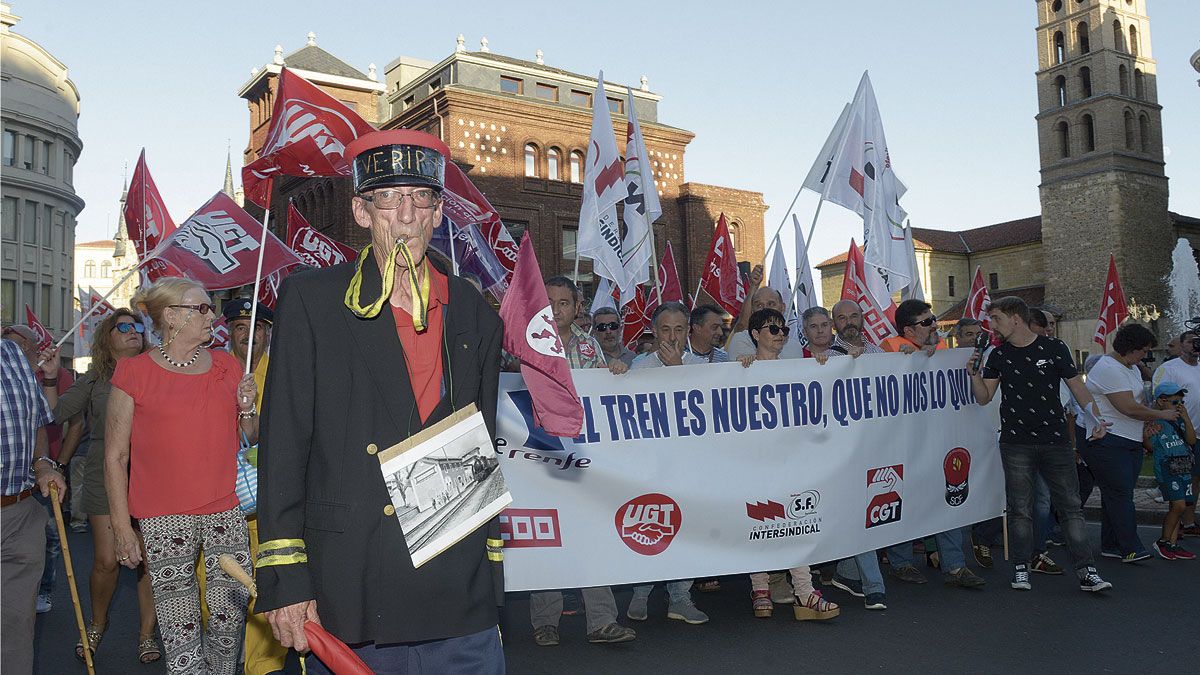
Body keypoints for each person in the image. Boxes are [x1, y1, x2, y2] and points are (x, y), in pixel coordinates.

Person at [256, 129, 506, 673]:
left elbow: (480, 442)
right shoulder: (313, 301)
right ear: (362, 212)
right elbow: (283, 447)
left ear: (439, 211)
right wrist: (285, 576)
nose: (407, 215)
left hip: (456, 586)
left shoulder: (473, 310)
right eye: (389, 198)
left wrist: (490, 564)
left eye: (421, 197)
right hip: (352, 586)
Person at [106, 278, 257, 675]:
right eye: (203, 308)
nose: (213, 316)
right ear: (172, 317)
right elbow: (114, 456)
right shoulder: (133, 372)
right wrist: (122, 529)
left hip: (225, 511)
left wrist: (247, 408)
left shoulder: (228, 365)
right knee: (181, 632)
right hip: (163, 519)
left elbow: (251, 437)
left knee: (229, 626)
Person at [38, 310, 161, 663]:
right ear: (108, 338)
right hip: (103, 478)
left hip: (152, 478)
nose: (133, 331)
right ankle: (97, 624)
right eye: (123, 327)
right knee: (107, 560)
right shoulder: (95, 379)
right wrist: (49, 379)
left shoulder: (158, 372)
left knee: (149, 562)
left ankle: (146, 634)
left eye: (137, 326)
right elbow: (54, 414)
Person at [970, 296, 1113, 592]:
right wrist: (973, 374)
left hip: (1055, 440)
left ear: (1015, 319)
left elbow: (1078, 387)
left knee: (1070, 507)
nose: (992, 326)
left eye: (996, 319)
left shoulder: (1054, 348)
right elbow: (984, 397)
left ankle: (1087, 572)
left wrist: (1095, 419)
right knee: (1020, 508)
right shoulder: (998, 355)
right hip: (1015, 443)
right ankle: (1021, 568)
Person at [530, 280, 634, 646]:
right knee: (548, 537)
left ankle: (601, 621)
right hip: (539, 453)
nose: (556, 309)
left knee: (590, 534)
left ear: (578, 308)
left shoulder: (589, 345)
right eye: (550, 302)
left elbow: (600, 396)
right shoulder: (528, 341)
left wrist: (614, 371)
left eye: (564, 302)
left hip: (581, 452)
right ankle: (545, 621)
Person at [738, 308, 842, 621]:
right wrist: (740, 371)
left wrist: (821, 369)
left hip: (789, 463)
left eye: (784, 329)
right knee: (758, 525)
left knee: (796, 524)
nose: (781, 334)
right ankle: (760, 588)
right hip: (753, 464)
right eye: (773, 329)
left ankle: (805, 591)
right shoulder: (737, 371)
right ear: (756, 334)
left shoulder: (799, 369)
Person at [880, 300, 985, 588]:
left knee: (947, 500)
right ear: (908, 330)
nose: (934, 325)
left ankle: (954, 565)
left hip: (939, 440)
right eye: (926, 322)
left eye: (933, 319)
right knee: (906, 503)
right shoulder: (890, 347)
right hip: (905, 443)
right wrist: (916, 354)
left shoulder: (940, 350)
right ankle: (901, 563)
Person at [213, 298, 286, 675]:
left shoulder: (284, 369)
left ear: (267, 333)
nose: (248, 336)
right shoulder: (216, 369)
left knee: (268, 581)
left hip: (270, 495)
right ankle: (221, 658)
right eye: (241, 328)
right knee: (217, 581)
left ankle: (264, 666)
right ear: (230, 332)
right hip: (221, 495)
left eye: (256, 328)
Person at [626, 302, 710, 625]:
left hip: (688, 467)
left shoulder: (700, 367)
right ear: (654, 331)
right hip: (649, 466)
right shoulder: (639, 367)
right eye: (665, 329)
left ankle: (680, 597)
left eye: (678, 329)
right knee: (650, 526)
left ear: (687, 331)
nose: (672, 336)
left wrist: (678, 369)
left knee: (685, 529)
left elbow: (702, 410)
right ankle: (641, 591)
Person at [1082, 323, 1177, 563]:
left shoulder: (1130, 366)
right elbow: (1127, 407)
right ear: (1129, 348)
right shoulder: (1107, 368)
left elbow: (1139, 401)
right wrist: (1161, 415)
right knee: (1121, 494)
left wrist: (1146, 424)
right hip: (1108, 440)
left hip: (1128, 439)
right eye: (1143, 350)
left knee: (1114, 495)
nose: (1146, 355)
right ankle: (1130, 548)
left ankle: (1111, 544)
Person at [1, 336, 67, 675]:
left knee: (15, 631)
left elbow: (39, 420)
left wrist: (43, 463)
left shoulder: (12, 353)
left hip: (19, 512)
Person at [3, 325, 77, 615]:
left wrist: (49, 463)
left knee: (50, 536)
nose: (16, 349)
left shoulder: (32, 368)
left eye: (21, 345)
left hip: (34, 482)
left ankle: (44, 589)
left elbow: (49, 417)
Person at [1151, 330, 1200, 537]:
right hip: (1179, 434)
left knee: (1195, 479)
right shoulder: (1168, 368)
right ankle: (1173, 527)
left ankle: (1188, 523)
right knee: (1180, 480)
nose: (1195, 346)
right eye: (1191, 342)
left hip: (1197, 432)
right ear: (1181, 345)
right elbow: (1158, 398)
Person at [1142, 381, 1197, 560]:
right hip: (1167, 467)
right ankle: (1163, 541)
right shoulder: (1154, 421)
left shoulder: (1180, 420)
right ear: (1161, 402)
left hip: (1183, 467)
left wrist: (1186, 418)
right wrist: (1147, 436)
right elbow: (1150, 447)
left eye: (1181, 402)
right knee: (1178, 505)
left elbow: (1191, 440)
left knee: (1180, 506)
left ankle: (1173, 544)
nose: (1179, 406)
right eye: (1175, 402)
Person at [728, 287, 804, 359]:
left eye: (771, 304)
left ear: (783, 308)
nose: (765, 308)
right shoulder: (740, 340)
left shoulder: (795, 347)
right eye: (759, 305)